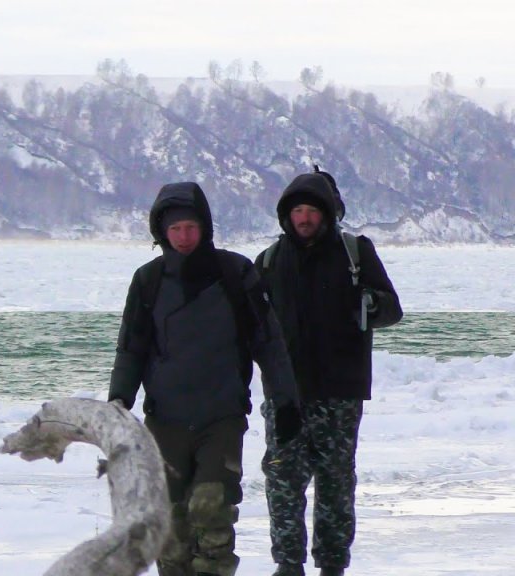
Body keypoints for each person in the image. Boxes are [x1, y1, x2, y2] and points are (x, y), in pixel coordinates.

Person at [108, 181, 301, 576]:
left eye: (191, 228)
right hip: (166, 419)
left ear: (206, 227)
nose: (183, 237)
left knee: (212, 507)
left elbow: (269, 342)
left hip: (222, 417)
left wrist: (285, 400)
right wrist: (119, 400)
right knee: (172, 520)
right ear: (161, 231)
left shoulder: (236, 273)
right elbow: (132, 347)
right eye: (175, 229)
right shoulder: (148, 281)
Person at [256, 169, 402, 576]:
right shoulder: (268, 262)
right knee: (283, 482)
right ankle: (288, 564)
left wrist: (370, 305)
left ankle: (333, 564)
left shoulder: (355, 252)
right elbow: (251, 327)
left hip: (340, 393)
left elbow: (392, 308)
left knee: (335, 484)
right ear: (287, 216)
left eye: (311, 211)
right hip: (285, 395)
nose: (304, 218)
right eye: (297, 210)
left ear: (327, 214)